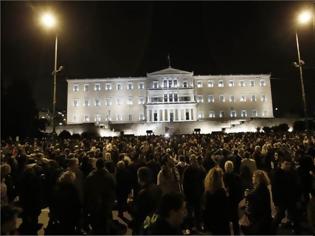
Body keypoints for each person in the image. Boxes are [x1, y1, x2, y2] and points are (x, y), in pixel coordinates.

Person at [84, 158, 116, 234]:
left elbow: (86, 190)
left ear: (96, 165)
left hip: (94, 203)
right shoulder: (109, 176)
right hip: (106, 203)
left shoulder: (90, 176)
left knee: (96, 221)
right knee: (105, 221)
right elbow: (114, 186)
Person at [271, 157, 301, 233]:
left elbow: (296, 185)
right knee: (280, 215)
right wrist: (276, 202)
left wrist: (297, 197)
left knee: (294, 214)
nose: (288, 166)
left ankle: (296, 229)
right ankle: (272, 229)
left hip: (291, 198)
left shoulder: (292, 173)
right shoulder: (277, 174)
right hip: (282, 199)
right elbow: (274, 189)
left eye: (289, 164)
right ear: (281, 164)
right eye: (286, 164)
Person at [131, 167, 162, 235]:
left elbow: (139, 212)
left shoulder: (143, 193)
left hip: (146, 221)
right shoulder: (156, 188)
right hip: (155, 219)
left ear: (140, 177)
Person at [242, 170, 272, 235]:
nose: (252, 178)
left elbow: (255, 203)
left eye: (253, 176)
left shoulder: (259, 190)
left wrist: (247, 196)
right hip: (265, 219)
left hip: (259, 221)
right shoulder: (264, 188)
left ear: (258, 178)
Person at [203, 166, 230, 235]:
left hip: (212, 223)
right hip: (222, 222)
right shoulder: (221, 192)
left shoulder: (207, 192)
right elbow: (225, 209)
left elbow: (206, 210)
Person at [182, 155, 206, 230]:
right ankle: (190, 227)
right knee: (190, 212)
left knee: (197, 211)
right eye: (192, 160)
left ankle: (197, 225)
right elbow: (184, 183)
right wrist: (186, 193)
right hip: (190, 194)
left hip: (197, 193)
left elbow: (203, 179)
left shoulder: (199, 169)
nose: (194, 161)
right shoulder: (187, 170)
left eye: (194, 160)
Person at [223, 160, 243, 235]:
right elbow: (240, 188)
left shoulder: (223, 176)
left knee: (229, 219)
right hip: (233, 200)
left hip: (229, 200)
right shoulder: (236, 176)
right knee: (234, 219)